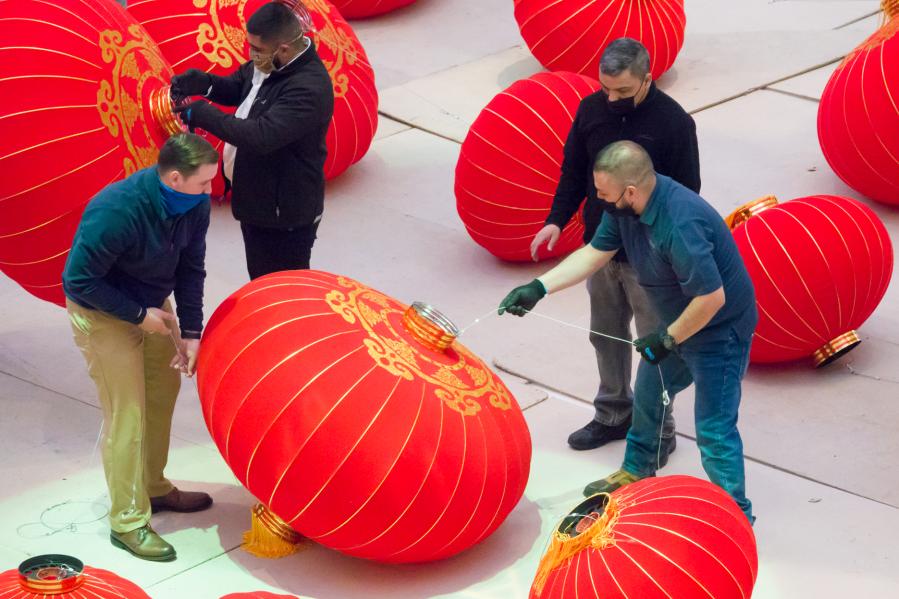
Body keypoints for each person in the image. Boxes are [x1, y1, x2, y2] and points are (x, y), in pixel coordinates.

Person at [501, 141, 757, 523]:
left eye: (604, 194)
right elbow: (595, 253)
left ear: (631, 191)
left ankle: (735, 515)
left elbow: (711, 298)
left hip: (718, 331)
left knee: (713, 426)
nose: (599, 201)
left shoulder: (680, 224)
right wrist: (539, 287)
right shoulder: (624, 209)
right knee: (650, 393)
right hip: (676, 320)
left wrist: (668, 338)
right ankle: (637, 469)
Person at [530, 38, 700, 456]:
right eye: (606, 88)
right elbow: (574, 170)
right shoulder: (591, 110)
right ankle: (612, 413)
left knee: (656, 345)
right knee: (605, 336)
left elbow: (688, 192)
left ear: (646, 78)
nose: (612, 99)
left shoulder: (674, 123)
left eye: (622, 91)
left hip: (650, 257)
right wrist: (555, 219)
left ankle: (659, 429)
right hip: (602, 248)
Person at [63, 133, 219, 561]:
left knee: (162, 394)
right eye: (204, 183)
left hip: (153, 305)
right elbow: (78, 280)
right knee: (127, 411)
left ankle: (153, 485)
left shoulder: (194, 205)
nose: (211, 191)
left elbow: (192, 266)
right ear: (173, 178)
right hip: (102, 311)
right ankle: (128, 521)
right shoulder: (117, 209)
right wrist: (136, 316)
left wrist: (191, 332)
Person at [171, 1, 334, 280]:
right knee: (258, 277)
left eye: (256, 49)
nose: (250, 54)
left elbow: (261, 136)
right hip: (257, 203)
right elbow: (239, 88)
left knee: (281, 289)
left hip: (284, 217)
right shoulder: (270, 62)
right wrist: (205, 84)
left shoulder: (309, 88)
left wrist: (204, 115)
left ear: (283, 47)